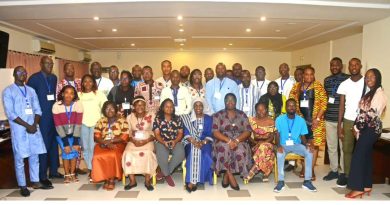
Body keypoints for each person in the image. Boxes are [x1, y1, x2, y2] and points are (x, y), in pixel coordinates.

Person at [2, 66, 49, 197]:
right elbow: (10, 113)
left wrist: (34, 124)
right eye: (20, 72)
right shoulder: (8, 91)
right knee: (20, 158)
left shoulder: (31, 90)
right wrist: (27, 126)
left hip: (33, 128)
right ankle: (22, 185)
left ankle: (35, 181)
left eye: (25, 72)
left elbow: (38, 110)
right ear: (14, 74)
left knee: (35, 156)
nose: (23, 74)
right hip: (19, 130)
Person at [345, 68, 387, 199]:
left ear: (378, 78)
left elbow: (370, 114)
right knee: (367, 156)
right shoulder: (371, 93)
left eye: (372, 77)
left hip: (370, 129)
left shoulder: (380, 94)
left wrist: (356, 127)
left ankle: (358, 187)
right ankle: (367, 185)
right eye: (367, 77)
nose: (369, 79)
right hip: (366, 128)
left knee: (358, 156)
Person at [289, 67, 327, 181]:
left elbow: (324, 104)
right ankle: (304, 168)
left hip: (316, 122)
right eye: (306, 74)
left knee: (313, 146)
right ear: (303, 75)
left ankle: (310, 170)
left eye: (311, 74)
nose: (309, 77)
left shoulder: (318, 86)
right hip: (301, 122)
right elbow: (291, 102)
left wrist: (318, 119)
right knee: (303, 145)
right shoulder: (297, 87)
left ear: (314, 75)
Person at [27, 56, 60, 187]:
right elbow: (29, 100)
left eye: (51, 64)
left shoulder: (54, 78)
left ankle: (53, 171)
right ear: (41, 64)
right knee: (43, 146)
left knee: (53, 144)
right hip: (41, 118)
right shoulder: (34, 79)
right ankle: (42, 176)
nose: (50, 66)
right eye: (47, 63)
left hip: (52, 115)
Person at [274, 99, 317, 193]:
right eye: (289, 105)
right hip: (283, 145)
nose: (291, 107)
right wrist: (278, 146)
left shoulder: (301, 120)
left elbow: (303, 136)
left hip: (296, 144)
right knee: (280, 154)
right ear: (286, 108)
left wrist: (306, 145)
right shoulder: (279, 119)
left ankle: (307, 181)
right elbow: (277, 134)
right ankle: (281, 181)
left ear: (296, 107)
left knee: (309, 152)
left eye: (293, 105)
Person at [212, 93, 252, 191]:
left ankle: (226, 175)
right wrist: (229, 141)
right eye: (228, 100)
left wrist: (237, 140)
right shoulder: (218, 115)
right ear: (224, 102)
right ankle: (230, 175)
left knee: (240, 150)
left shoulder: (242, 114)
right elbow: (215, 132)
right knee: (224, 148)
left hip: (239, 139)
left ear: (236, 102)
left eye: (232, 100)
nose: (230, 102)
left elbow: (248, 131)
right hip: (222, 139)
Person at [336, 58, 365, 187]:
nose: (353, 67)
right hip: (348, 120)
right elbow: (341, 106)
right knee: (347, 149)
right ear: (348, 67)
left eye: (356, 64)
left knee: (362, 149)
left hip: (363, 120)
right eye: (351, 65)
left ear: (360, 66)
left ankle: (359, 174)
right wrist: (339, 125)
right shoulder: (344, 84)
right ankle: (346, 175)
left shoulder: (367, 82)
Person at [122, 96, 157, 191]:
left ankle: (147, 181)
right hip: (134, 141)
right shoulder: (129, 117)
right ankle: (133, 181)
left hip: (148, 140)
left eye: (141, 105)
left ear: (145, 105)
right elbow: (128, 133)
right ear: (133, 107)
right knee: (127, 153)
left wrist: (145, 141)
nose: (139, 107)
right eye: (137, 105)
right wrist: (133, 141)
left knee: (148, 153)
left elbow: (156, 132)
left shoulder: (152, 115)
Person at [55, 62, 85, 175]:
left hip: (78, 115)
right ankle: (69, 172)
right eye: (67, 68)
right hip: (65, 118)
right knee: (67, 145)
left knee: (78, 142)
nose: (70, 70)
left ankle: (76, 167)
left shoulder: (79, 82)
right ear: (64, 70)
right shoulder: (60, 84)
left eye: (72, 68)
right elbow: (58, 100)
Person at [92, 101, 129, 190]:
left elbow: (124, 136)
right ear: (104, 111)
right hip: (102, 144)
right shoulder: (101, 121)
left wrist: (111, 141)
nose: (110, 110)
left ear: (116, 109)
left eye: (112, 108)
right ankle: (105, 178)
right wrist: (105, 143)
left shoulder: (122, 120)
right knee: (97, 156)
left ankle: (111, 179)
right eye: (107, 108)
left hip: (118, 144)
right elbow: (96, 136)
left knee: (112, 155)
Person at [323, 57, 349, 181]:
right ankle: (334, 170)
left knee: (343, 147)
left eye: (337, 65)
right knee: (331, 146)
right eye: (332, 65)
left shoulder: (348, 79)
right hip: (329, 118)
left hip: (343, 120)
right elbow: (326, 98)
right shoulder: (327, 80)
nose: (334, 67)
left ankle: (343, 172)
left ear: (341, 66)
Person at [78, 74, 107, 181]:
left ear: (93, 83)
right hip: (83, 124)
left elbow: (105, 108)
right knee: (86, 148)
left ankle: (96, 169)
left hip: (96, 124)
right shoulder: (78, 95)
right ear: (82, 83)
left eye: (90, 81)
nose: (88, 83)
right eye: (85, 81)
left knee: (94, 147)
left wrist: (103, 124)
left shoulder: (99, 94)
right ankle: (90, 169)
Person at [181, 98, 214, 192]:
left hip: (205, 142)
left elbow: (210, 134)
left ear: (203, 107)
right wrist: (194, 142)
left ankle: (200, 178)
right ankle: (192, 181)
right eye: (196, 105)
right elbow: (186, 133)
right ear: (193, 107)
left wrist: (203, 142)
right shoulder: (188, 118)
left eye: (200, 105)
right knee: (193, 151)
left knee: (205, 155)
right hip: (190, 141)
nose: (198, 107)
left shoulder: (208, 118)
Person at [52, 85, 83, 184]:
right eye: (66, 92)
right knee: (66, 152)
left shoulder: (78, 105)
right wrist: (65, 142)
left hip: (74, 133)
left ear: (74, 95)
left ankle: (73, 173)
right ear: (62, 94)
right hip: (61, 134)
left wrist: (75, 141)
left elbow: (78, 124)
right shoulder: (56, 106)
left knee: (74, 151)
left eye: (71, 93)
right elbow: (58, 125)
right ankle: (66, 174)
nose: (69, 95)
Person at [152, 99, 185, 187]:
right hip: (161, 141)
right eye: (167, 106)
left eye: (171, 107)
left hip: (175, 141)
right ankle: (167, 175)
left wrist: (175, 141)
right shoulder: (157, 119)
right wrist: (163, 142)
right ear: (162, 108)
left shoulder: (178, 118)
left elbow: (180, 133)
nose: (169, 108)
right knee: (162, 155)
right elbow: (157, 134)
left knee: (181, 153)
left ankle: (164, 172)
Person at [244, 102, 276, 183]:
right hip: (254, 144)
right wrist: (256, 143)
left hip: (268, 143)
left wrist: (262, 143)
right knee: (268, 153)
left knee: (264, 147)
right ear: (255, 111)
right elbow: (248, 136)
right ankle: (265, 174)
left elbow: (272, 137)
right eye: (258, 110)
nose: (261, 112)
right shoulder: (251, 120)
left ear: (267, 110)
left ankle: (254, 169)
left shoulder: (271, 121)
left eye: (263, 110)